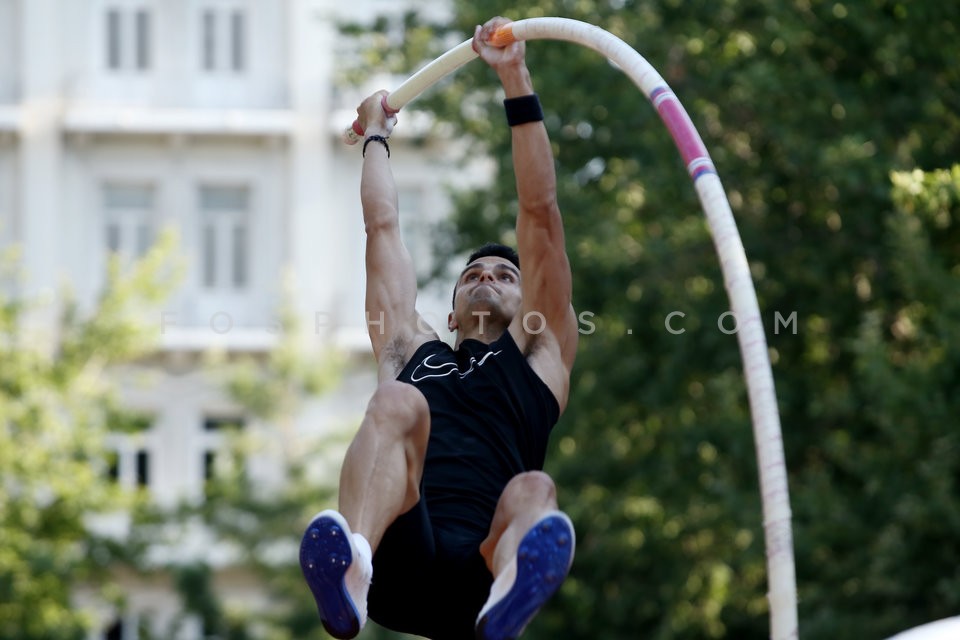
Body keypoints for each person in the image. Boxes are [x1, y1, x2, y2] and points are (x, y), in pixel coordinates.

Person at [299, 16, 579, 640]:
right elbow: (383, 228)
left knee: (535, 489)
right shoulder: (411, 350)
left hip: (481, 573)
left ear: (526, 296)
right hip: (401, 563)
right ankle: (353, 569)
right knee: (398, 400)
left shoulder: (539, 349)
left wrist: (515, 78)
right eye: (472, 273)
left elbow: (540, 212)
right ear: (449, 313)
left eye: (505, 275)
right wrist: (376, 134)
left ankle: (509, 602)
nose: (487, 276)